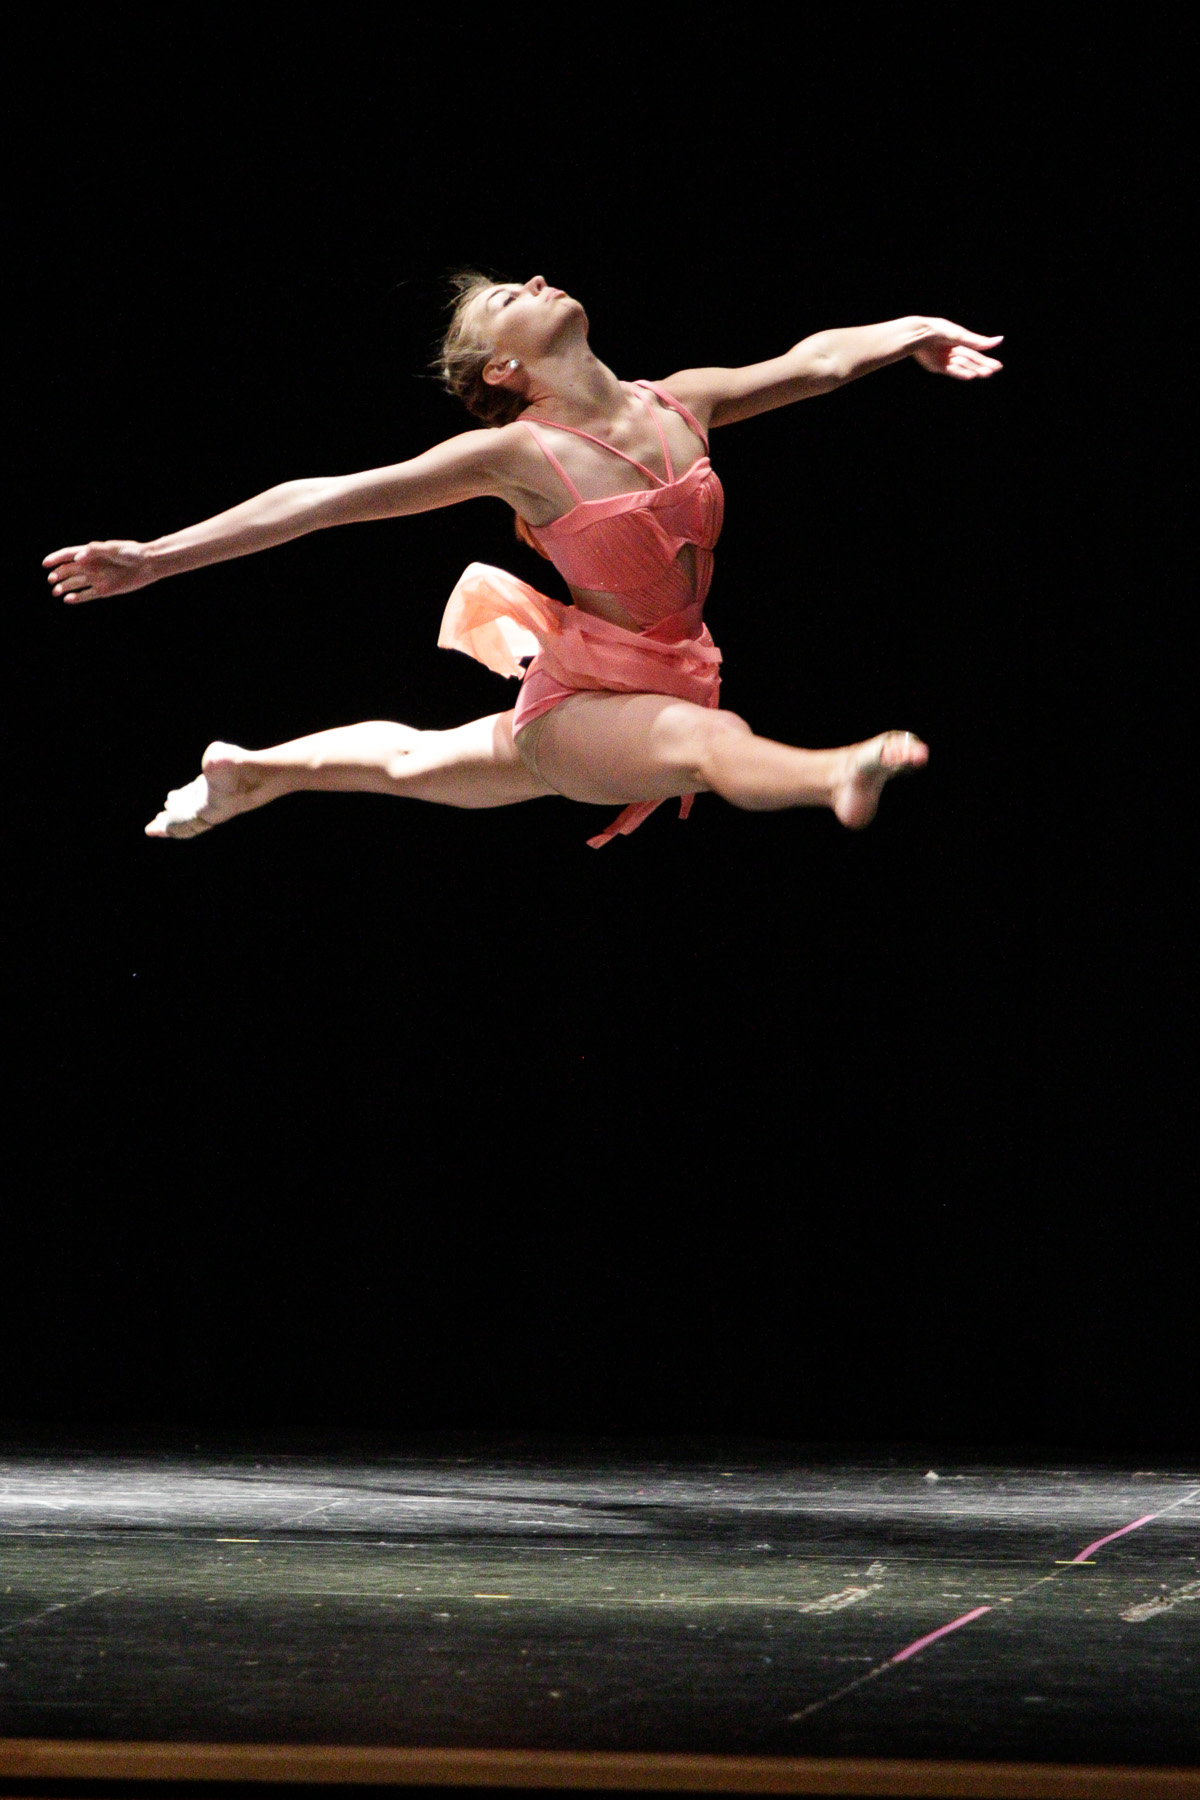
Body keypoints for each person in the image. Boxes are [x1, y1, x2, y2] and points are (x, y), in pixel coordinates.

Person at [43, 274, 1001, 846]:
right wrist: (160, 558)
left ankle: (253, 772)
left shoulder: (677, 403)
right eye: (512, 296)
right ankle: (834, 771)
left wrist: (909, 330)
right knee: (705, 747)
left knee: (424, 759)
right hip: (600, 703)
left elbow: (817, 360)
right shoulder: (514, 457)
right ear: (503, 369)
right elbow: (320, 500)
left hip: (647, 672)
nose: (537, 280)